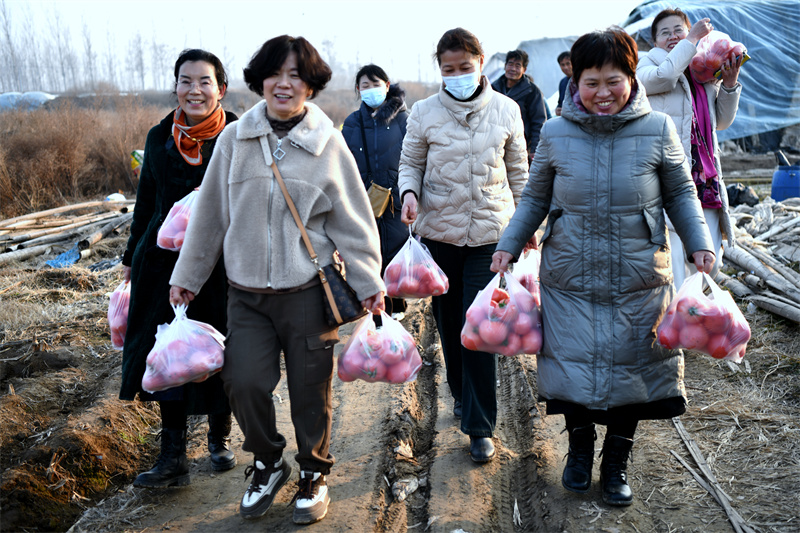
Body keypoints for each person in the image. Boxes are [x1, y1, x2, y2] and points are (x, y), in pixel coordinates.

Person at [491, 28, 716, 506]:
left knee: (631, 371)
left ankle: (616, 460)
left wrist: (699, 244)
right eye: (591, 82)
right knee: (571, 368)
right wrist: (509, 244)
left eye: (612, 81)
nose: (602, 93)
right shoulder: (554, 132)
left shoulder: (658, 129)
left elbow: (680, 193)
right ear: (576, 81)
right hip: (569, 274)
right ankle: (578, 448)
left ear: (631, 78)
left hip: (638, 276)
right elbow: (535, 197)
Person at [169, 35, 385, 525]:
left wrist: (370, 282)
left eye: (296, 76)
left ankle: (313, 472)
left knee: (312, 392)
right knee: (243, 383)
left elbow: (353, 221)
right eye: (275, 74)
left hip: (307, 292)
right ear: (259, 80)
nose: (284, 84)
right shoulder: (234, 140)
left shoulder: (328, 145)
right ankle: (267, 462)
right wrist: (189, 276)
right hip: (246, 295)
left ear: (311, 85)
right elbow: (210, 216)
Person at [399, 28, 529, 464]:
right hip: (440, 235)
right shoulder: (423, 112)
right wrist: (409, 193)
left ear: (481, 62)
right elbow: (411, 162)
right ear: (440, 69)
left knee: (481, 329)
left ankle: (479, 426)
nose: (456, 75)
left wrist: (527, 224)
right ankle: (460, 393)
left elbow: (519, 172)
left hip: (492, 236)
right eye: (448, 69)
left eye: (464, 67)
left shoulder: (508, 110)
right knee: (452, 325)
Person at [120, 49, 238, 488]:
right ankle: (172, 458)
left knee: (219, 350)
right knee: (169, 352)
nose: (194, 90)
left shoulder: (238, 134)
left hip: (222, 264)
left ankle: (219, 438)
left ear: (220, 89)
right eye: (185, 81)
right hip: (164, 265)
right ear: (175, 87)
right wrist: (133, 256)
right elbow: (147, 200)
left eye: (204, 81)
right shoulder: (158, 137)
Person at [637, 8, 742, 289]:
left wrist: (729, 85)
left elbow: (720, 122)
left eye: (679, 30)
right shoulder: (646, 65)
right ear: (655, 40)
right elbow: (664, 77)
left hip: (704, 177)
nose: (673, 37)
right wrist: (692, 38)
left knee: (710, 258)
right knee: (675, 260)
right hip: (668, 175)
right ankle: (679, 320)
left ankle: (694, 311)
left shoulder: (702, 75)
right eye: (665, 32)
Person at [342, 64, 409, 321]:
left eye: (376, 84)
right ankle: (378, 313)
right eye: (365, 85)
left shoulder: (404, 119)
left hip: (396, 202)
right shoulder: (351, 123)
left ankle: (395, 306)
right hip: (363, 201)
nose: (371, 90)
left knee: (395, 253)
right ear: (358, 90)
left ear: (387, 86)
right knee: (370, 255)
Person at [491, 49, 548, 161]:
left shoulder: (532, 91)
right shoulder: (493, 88)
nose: (513, 69)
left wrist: (535, 149)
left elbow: (539, 121)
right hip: (495, 145)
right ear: (505, 66)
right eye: (510, 64)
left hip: (520, 145)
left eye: (518, 66)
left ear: (524, 70)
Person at [555, 51, 572, 116]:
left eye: (568, 63)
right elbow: (560, 102)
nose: (566, 67)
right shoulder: (563, 82)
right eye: (562, 65)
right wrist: (558, 109)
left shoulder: (582, 80)